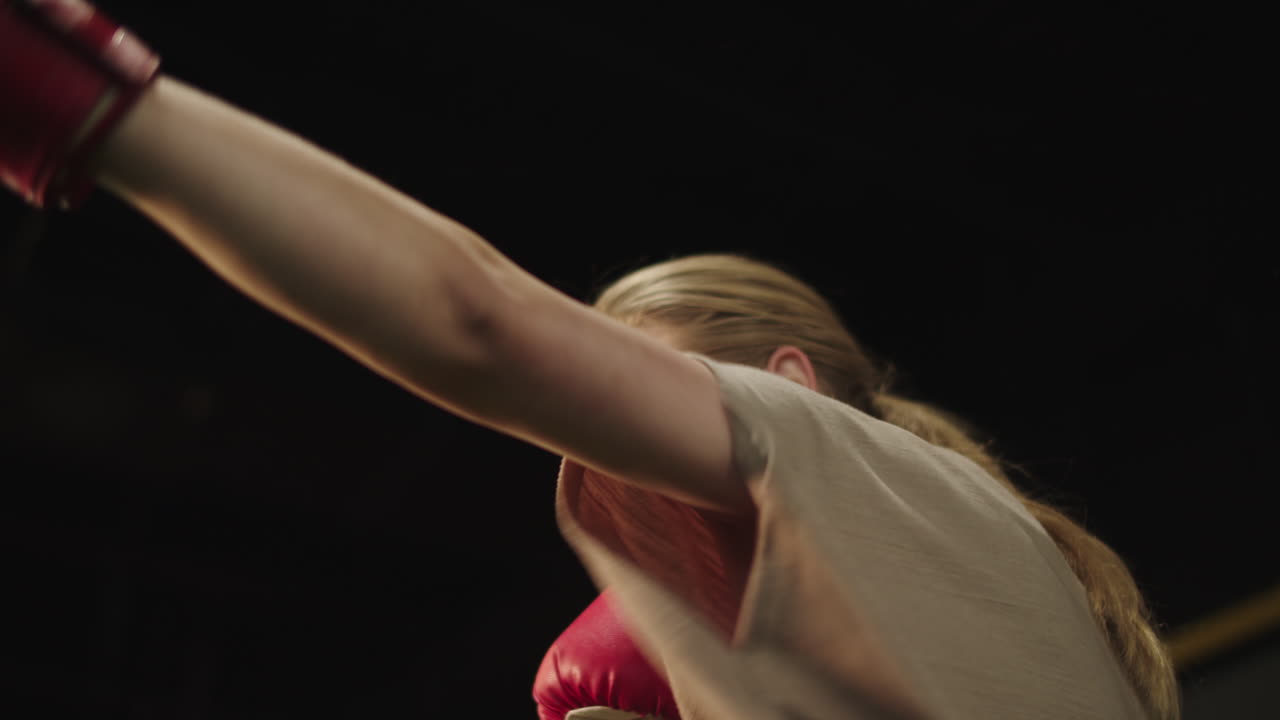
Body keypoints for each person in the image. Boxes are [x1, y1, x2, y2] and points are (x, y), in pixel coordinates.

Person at [0, 2, 1179, 719]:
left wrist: (78, 100)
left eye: (635, 404)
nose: (612, 460)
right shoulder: (971, 596)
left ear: (790, 382)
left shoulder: (867, 480)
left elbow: (481, 322)